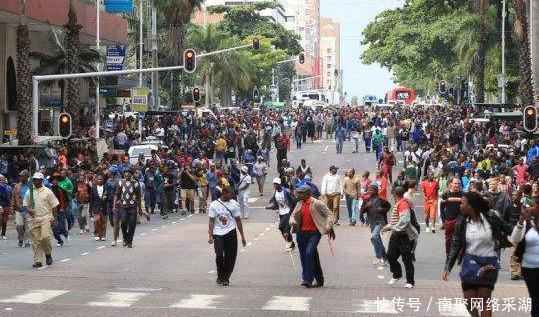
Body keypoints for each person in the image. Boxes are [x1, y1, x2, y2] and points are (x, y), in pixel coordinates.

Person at [442, 191, 513, 317]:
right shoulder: (462, 222)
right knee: (469, 302)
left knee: (485, 300)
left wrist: (521, 227)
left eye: (462, 203)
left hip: (488, 263)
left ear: (471, 206)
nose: (460, 206)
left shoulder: (491, 217)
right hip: (469, 263)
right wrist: (448, 267)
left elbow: (508, 228)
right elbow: (456, 245)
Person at [290, 185, 335, 288]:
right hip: (301, 233)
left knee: (309, 253)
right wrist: (292, 221)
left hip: (314, 233)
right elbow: (293, 215)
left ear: (306, 194)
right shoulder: (299, 204)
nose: (298, 195)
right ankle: (319, 279)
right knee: (310, 255)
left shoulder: (317, 203)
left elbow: (329, 214)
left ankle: (308, 279)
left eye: (300, 193)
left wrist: (328, 225)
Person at [208, 186, 247, 286]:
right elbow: (211, 221)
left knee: (230, 256)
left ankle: (226, 278)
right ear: (224, 193)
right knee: (219, 254)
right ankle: (220, 276)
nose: (232, 196)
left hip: (230, 232)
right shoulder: (214, 204)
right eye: (230, 194)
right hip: (218, 233)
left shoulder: (234, 204)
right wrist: (210, 235)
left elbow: (238, 220)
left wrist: (242, 236)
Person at [383, 186, 418, 289]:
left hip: (405, 237)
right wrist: (388, 227)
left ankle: (410, 282)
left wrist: (394, 227)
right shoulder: (398, 204)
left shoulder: (403, 204)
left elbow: (405, 220)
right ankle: (397, 274)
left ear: (395, 194)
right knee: (390, 255)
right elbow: (396, 221)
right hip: (395, 236)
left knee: (407, 259)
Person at [23, 172, 59, 268]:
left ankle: (48, 254)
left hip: (46, 217)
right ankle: (38, 261)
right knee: (35, 241)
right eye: (34, 179)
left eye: (37, 180)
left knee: (45, 237)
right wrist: (29, 210)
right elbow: (25, 204)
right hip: (33, 219)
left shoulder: (48, 191)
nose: (35, 181)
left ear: (42, 180)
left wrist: (55, 219)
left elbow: (54, 206)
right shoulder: (29, 191)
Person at [510, 198, 539, 317]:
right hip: (530, 269)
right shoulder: (527, 222)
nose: (529, 208)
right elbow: (514, 239)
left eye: (532, 206)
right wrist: (521, 221)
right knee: (536, 300)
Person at [114, 169, 145, 248]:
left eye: (128, 175)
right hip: (123, 206)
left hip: (133, 207)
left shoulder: (135, 183)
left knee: (132, 224)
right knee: (123, 223)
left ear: (131, 175)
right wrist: (115, 204)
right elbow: (117, 194)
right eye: (125, 175)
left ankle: (130, 241)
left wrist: (140, 209)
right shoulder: (121, 183)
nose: (127, 177)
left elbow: (138, 197)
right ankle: (125, 238)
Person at [364, 184, 391, 266]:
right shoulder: (367, 200)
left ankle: (378, 257)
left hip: (380, 222)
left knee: (374, 236)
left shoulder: (381, 200)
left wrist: (383, 210)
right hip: (372, 222)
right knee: (376, 240)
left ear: (376, 191)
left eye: (371, 190)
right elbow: (362, 211)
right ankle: (386, 258)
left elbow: (388, 207)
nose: (369, 191)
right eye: (369, 190)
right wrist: (366, 207)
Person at [267, 177, 296, 251]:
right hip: (281, 213)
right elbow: (273, 201)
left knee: (285, 230)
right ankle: (291, 242)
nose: (275, 186)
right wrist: (270, 206)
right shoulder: (275, 193)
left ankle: (288, 244)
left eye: (276, 184)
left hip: (288, 212)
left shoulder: (286, 191)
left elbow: (293, 200)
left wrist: (292, 211)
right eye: (274, 185)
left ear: (280, 184)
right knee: (281, 228)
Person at [440, 177, 463, 255]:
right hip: (449, 219)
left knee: (460, 238)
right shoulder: (446, 194)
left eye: (458, 183)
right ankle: (448, 254)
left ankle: (458, 254)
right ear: (451, 184)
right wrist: (443, 220)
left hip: (460, 220)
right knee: (448, 239)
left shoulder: (463, 194)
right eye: (455, 183)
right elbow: (441, 208)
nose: (457, 185)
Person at [12, 170, 31, 247]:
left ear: (27, 177)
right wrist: (12, 208)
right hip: (19, 209)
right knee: (19, 225)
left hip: (28, 209)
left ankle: (27, 241)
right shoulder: (17, 186)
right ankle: (20, 238)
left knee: (28, 226)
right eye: (20, 176)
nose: (21, 177)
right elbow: (13, 197)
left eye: (23, 176)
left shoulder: (31, 186)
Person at [50, 174, 69, 247]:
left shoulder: (62, 190)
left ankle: (65, 233)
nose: (55, 181)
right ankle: (59, 240)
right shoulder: (49, 191)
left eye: (56, 180)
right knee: (54, 228)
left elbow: (67, 200)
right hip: (51, 211)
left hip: (60, 210)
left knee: (61, 225)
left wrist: (64, 207)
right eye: (53, 180)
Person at [89, 174, 107, 241]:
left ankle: (103, 235)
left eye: (101, 179)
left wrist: (106, 197)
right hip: (96, 207)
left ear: (103, 180)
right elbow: (91, 200)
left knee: (103, 222)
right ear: (96, 180)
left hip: (104, 207)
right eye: (98, 179)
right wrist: (90, 211)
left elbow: (108, 196)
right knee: (96, 221)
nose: (100, 180)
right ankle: (96, 234)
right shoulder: (93, 188)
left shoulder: (106, 187)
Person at [0, 174, 12, 240]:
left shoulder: (9, 188)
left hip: (7, 205)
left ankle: (3, 234)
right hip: (0, 205)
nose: (2, 181)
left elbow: (10, 197)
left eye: (3, 180)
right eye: (1, 180)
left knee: (4, 221)